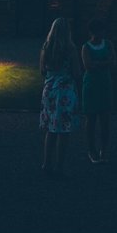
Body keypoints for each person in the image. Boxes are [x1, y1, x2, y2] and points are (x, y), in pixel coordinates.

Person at [39, 17, 82, 178]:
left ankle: (46, 164)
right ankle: (59, 167)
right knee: (63, 130)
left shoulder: (46, 47)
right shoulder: (70, 49)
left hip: (49, 90)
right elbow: (77, 72)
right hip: (64, 90)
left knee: (51, 129)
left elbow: (42, 70)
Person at [80, 18, 116, 164]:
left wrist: (98, 63)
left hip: (104, 84)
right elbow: (88, 66)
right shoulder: (85, 47)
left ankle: (104, 149)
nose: (101, 34)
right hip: (91, 85)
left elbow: (114, 62)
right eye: (99, 31)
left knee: (105, 119)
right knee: (91, 119)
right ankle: (91, 149)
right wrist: (105, 62)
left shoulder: (108, 44)